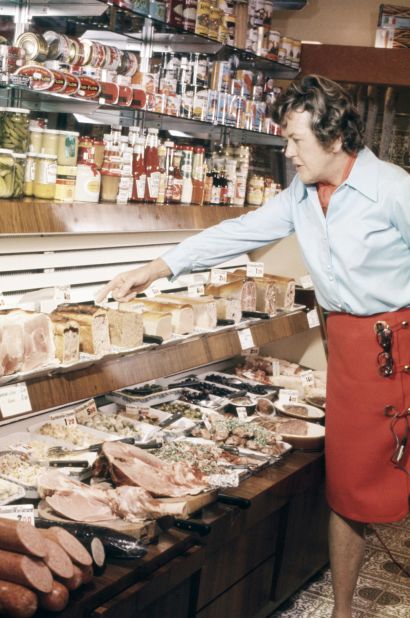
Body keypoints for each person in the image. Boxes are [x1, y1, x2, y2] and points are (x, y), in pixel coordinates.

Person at [96, 74, 410, 618]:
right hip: (349, 348)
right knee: (351, 485)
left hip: (399, 344)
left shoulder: (394, 189)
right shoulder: (302, 195)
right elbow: (237, 231)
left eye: (295, 141)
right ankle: (343, 610)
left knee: (383, 478)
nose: (287, 153)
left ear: (335, 138)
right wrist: (156, 267)